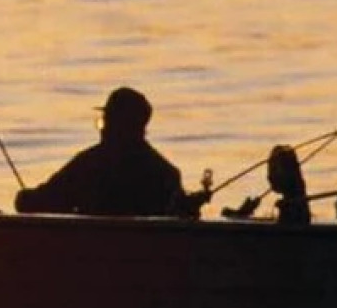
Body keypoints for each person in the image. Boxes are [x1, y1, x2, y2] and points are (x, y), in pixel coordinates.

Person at [13, 86, 204, 218]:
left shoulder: (89, 164)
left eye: (105, 122)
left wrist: (25, 197)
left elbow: (39, 202)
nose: (102, 129)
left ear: (114, 124)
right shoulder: (166, 173)